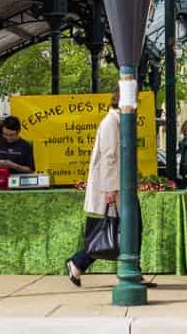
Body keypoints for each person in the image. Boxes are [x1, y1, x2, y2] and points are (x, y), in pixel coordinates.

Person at [66, 90, 156, 288]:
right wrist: (110, 189)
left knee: (121, 229)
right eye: (134, 101)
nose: (136, 105)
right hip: (116, 187)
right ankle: (80, 262)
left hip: (121, 185)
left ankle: (81, 263)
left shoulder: (118, 121)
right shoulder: (111, 122)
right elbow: (109, 156)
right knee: (119, 229)